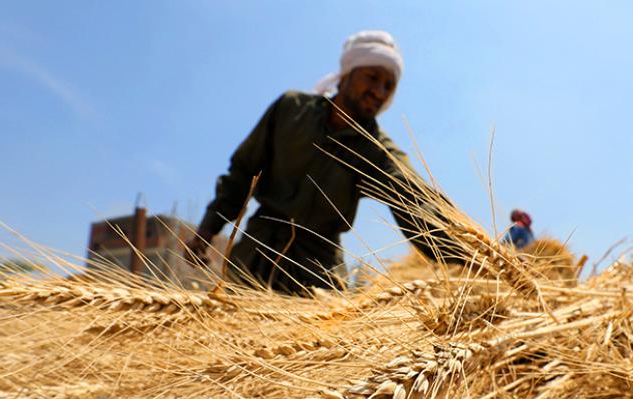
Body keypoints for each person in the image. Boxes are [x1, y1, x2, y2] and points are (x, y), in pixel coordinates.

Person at [186, 30, 461, 294]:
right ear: (347, 74)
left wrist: (469, 255)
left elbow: (414, 200)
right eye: (373, 77)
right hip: (252, 261)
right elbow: (242, 174)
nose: (379, 92)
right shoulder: (291, 110)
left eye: (389, 86)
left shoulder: (376, 151)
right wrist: (207, 231)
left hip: (318, 279)